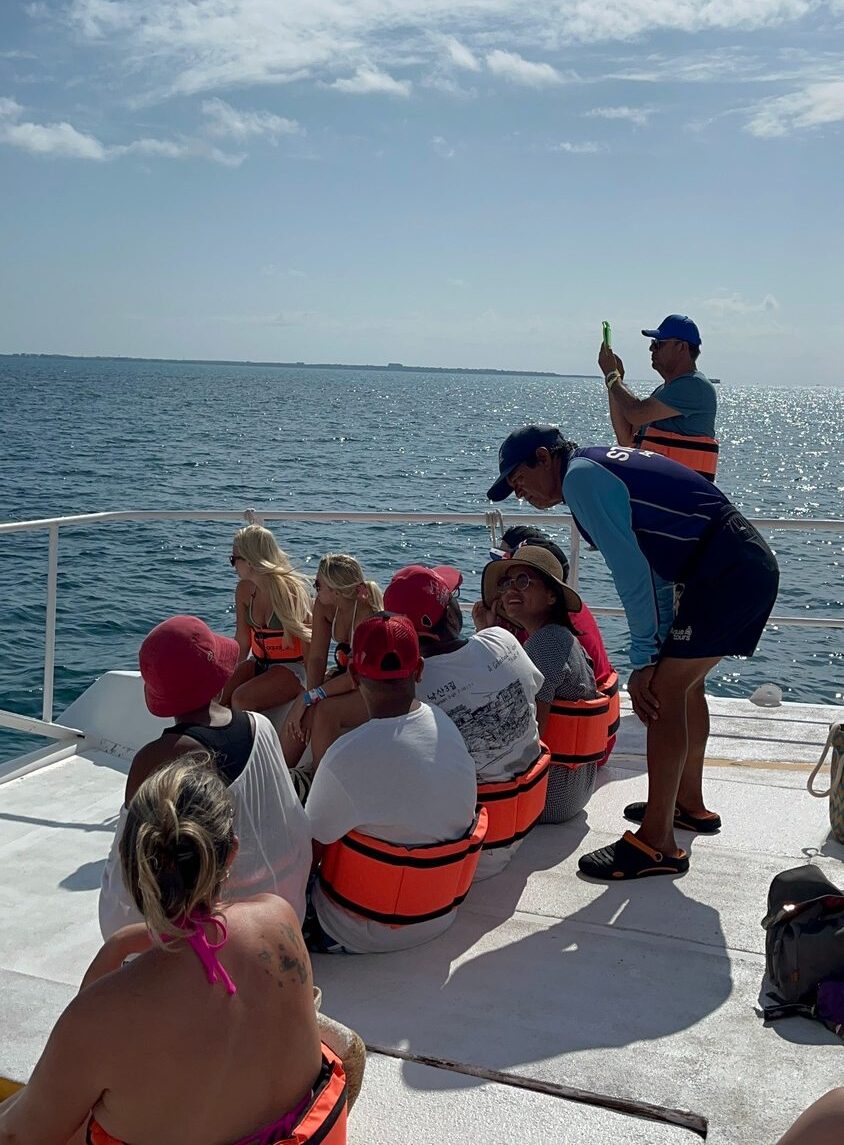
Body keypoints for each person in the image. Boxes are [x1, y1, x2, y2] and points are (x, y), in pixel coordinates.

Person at [0, 758, 349, 1145]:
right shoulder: (279, 919)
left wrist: (109, 958)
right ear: (230, 854)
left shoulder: (99, 1016)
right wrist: (128, 941)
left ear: (132, 868)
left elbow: (22, 1137)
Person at [487, 424, 779, 879]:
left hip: (728, 574)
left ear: (544, 457)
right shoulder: (594, 465)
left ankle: (656, 841)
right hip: (734, 565)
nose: (520, 494)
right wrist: (655, 646)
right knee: (685, 687)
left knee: (661, 691)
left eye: (518, 480)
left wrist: (644, 660)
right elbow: (655, 568)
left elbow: (634, 573)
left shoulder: (581, 479)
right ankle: (686, 804)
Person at [99, 615, 312, 936]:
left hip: (226, 933)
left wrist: (122, 936)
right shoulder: (261, 726)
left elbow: (124, 869)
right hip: (286, 908)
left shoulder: (156, 759)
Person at [304, 612, 482, 953]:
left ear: (354, 675)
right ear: (418, 670)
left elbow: (306, 853)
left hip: (359, 929)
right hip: (440, 914)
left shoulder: (345, 756)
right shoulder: (445, 724)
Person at [384, 564, 546, 878]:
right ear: (449, 616)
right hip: (524, 824)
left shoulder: (411, 692)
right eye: (452, 597)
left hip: (470, 851)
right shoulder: (503, 640)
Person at [479, 546, 602, 823]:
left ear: (551, 596)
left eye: (523, 581)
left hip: (549, 799)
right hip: (573, 792)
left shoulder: (545, 644)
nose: (511, 590)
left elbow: (530, 731)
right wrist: (488, 634)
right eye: (506, 583)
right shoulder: (563, 639)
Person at [282, 554, 383, 775]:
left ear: (336, 590)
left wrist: (308, 698)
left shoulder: (366, 615)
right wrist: (307, 700)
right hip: (346, 675)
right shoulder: (325, 605)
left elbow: (353, 678)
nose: (314, 588)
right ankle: (278, 776)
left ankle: (320, 781)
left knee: (324, 711)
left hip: (372, 686)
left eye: (318, 584)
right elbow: (317, 657)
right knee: (305, 713)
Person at [598, 314, 719, 480]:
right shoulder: (664, 391)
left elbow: (636, 413)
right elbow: (626, 439)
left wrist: (612, 377)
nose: (651, 349)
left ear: (682, 347)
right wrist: (615, 380)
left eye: (658, 344)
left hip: (682, 498)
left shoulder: (694, 385)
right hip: (661, 493)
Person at [220, 524, 312, 713]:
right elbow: (243, 642)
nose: (233, 566)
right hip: (260, 664)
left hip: (293, 670)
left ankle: (254, 742)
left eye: (233, 559)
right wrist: (225, 676)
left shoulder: (291, 593)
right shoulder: (244, 591)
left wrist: (311, 695)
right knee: (217, 696)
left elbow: (309, 647)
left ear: (250, 561)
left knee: (241, 699)